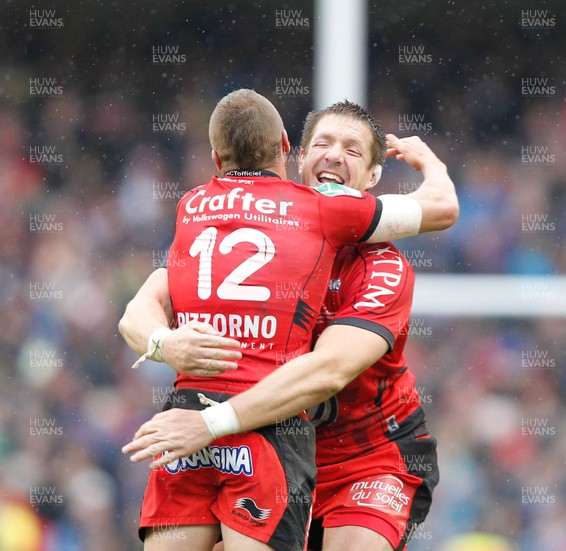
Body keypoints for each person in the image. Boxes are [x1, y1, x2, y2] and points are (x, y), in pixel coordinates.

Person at [120, 93, 458, 551]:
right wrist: (165, 344)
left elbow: (328, 371)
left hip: (369, 456)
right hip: (270, 438)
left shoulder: (383, 268)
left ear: (374, 178)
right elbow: (143, 304)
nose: (335, 155)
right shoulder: (256, 227)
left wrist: (209, 423)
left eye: (353, 150)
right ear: (293, 155)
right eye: (322, 144)